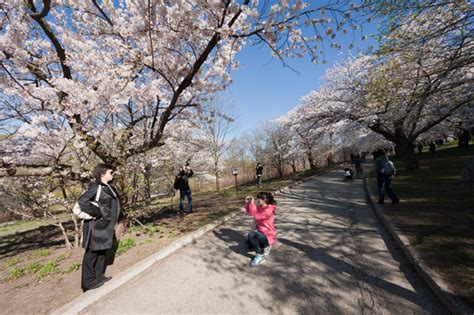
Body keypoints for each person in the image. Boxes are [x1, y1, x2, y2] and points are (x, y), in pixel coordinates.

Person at [78, 163, 120, 292]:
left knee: (102, 251)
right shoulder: (96, 187)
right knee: (92, 253)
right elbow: (82, 201)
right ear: (102, 174)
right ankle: (88, 282)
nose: (112, 174)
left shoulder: (108, 187)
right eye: (110, 172)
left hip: (105, 225)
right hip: (96, 226)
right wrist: (96, 213)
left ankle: (99, 276)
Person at [243, 192, 277, 267]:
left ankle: (260, 255)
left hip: (268, 235)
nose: (257, 200)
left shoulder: (269, 210)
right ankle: (262, 246)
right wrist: (248, 203)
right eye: (257, 198)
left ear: (264, 200)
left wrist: (252, 204)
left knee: (251, 234)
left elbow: (256, 216)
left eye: (259, 199)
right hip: (259, 233)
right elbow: (249, 212)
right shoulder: (259, 207)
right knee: (247, 245)